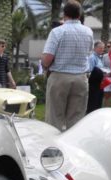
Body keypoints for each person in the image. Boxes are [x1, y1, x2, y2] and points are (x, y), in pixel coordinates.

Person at [40, 0, 93, 130]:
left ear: (65, 14)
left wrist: (44, 64)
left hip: (59, 77)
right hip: (81, 78)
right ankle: (73, 147)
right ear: (79, 14)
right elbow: (88, 53)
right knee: (76, 119)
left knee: (54, 118)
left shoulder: (57, 32)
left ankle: (54, 147)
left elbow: (47, 59)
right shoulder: (88, 32)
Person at [87, 41, 107, 113]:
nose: (102, 49)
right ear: (95, 48)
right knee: (93, 104)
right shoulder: (92, 58)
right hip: (93, 85)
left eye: (103, 48)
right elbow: (90, 71)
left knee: (98, 103)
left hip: (99, 84)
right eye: (100, 48)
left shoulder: (99, 58)